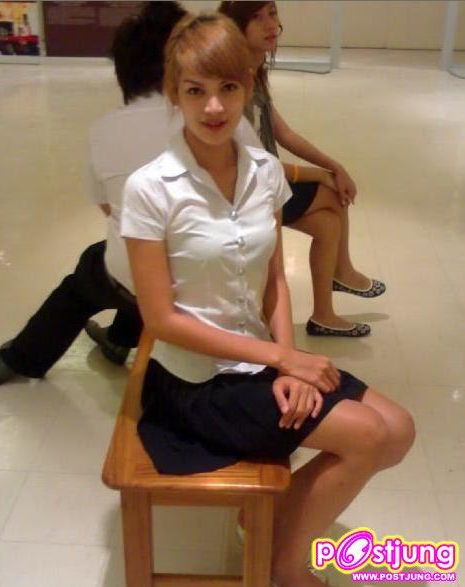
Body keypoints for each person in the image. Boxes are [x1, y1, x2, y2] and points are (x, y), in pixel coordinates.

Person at [122, 13, 414, 587]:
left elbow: (275, 278)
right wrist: (283, 359)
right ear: (174, 94)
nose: (213, 107)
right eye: (195, 91)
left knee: (398, 430)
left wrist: (289, 361)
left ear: (249, 87)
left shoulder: (263, 171)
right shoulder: (150, 189)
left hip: (260, 358)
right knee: (367, 436)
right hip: (196, 379)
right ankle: (284, 566)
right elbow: (161, 320)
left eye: (228, 87)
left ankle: (267, 526)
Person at [0, 1, 187, 385]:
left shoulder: (106, 131)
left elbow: (109, 207)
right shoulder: (215, 122)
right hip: (204, 279)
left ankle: (19, 359)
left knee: (90, 276)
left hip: (139, 278)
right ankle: (119, 339)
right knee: (146, 249)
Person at [219, 1, 386, 338]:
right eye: (257, 18)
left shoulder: (254, 72)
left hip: (268, 185)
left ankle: (325, 313)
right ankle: (341, 272)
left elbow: (284, 133)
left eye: (272, 14)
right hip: (247, 193)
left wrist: (333, 165)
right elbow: (252, 165)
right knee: (331, 194)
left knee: (328, 222)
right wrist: (322, 174)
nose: (270, 24)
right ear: (236, 28)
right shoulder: (235, 83)